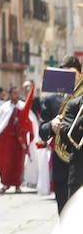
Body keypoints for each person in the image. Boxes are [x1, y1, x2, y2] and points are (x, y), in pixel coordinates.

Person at [40, 56, 82, 214]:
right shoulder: (51, 99)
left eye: (72, 75)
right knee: (64, 216)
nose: (69, 80)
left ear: (80, 74)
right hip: (61, 165)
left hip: (80, 163)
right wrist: (51, 126)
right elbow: (41, 131)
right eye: (64, 75)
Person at [0, 85, 35, 193]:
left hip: (18, 141)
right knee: (3, 163)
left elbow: (30, 122)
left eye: (18, 93)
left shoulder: (23, 107)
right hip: (5, 140)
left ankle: (17, 185)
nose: (17, 96)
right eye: (14, 93)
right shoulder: (4, 108)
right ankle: (5, 184)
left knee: (17, 164)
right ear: (9, 94)